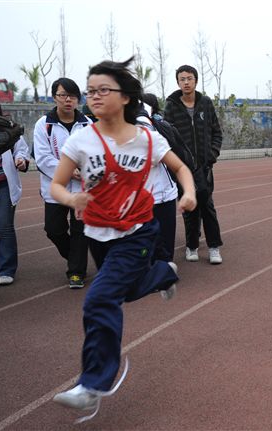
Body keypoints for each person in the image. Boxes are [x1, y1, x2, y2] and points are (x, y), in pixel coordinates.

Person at [51, 58, 196, 421]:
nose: (95, 96)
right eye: (91, 91)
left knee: (99, 298)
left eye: (104, 90)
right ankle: (163, 273)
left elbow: (179, 167)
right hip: (98, 234)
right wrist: (72, 199)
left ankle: (92, 386)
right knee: (126, 292)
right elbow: (57, 184)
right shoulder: (81, 139)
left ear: (125, 97)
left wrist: (188, 192)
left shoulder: (148, 138)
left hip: (138, 231)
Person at [33, 78, 92, 289]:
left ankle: (76, 272)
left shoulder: (88, 124)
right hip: (55, 189)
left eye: (73, 96)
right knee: (53, 229)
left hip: (81, 189)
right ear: (55, 97)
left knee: (80, 230)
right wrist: (68, 171)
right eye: (63, 95)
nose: (68, 100)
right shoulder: (44, 125)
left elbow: (95, 154)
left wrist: (83, 170)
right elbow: (43, 158)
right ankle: (76, 257)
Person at [164, 65, 223, 264]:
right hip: (183, 168)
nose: (186, 82)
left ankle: (214, 247)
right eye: (182, 79)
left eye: (189, 78)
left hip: (204, 166)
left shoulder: (205, 103)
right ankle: (192, 246)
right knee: (189, 209)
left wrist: (212, 154)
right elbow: (166, 135)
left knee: (207, 206)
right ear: (178, 82)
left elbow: (217, 132)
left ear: (196, 81)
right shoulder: (171, 106)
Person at [0, 87, 29, 286]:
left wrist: (21, 159)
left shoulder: (7, 124)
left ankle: (7, 268)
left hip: (4, 183)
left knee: (3, 226)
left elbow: (20, 148)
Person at [136, 93, 180, 262]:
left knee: (165, 236)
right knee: (145, 236)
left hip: (165, 191)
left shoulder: (161, 127)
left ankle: (165, 268)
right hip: (141, 195)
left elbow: (178, 162)